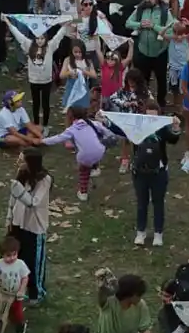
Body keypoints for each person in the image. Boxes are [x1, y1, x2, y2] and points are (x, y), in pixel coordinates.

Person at [129, 101, 180, 247]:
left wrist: (175, 127)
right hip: (140, 172)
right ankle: (141, 232)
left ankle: (158, 234)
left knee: (158, 203)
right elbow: (120, 129)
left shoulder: (162, 128)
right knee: (141, 203)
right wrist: (105, 120)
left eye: (154, 117)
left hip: (159, 172)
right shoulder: (136, 128)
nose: (151, 119)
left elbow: (173, 139)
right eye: (148, 116)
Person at [42, 106, 117, 201]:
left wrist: (42, 141)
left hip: (85, 156)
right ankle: (95, 167)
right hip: (100, 151)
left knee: (83, 169)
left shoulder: (72, 129)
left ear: (71, 117)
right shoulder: (92, 123)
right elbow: (107, 132)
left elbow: (57, 138)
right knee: (92, 148)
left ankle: (83, 192)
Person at [7, 148, 52, 302]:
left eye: (22, 160)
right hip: (18, 223)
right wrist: (9, 218)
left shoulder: (44, 180)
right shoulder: (22, 174)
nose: (19, 162)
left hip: (35, 227)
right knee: (17, 258)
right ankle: (19, 288)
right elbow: (13, 199)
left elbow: (33, 203)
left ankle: (37, 293)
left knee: (34, 263)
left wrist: (18, 190)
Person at [0, 236, 30, 333]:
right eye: (8, 255)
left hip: (15, 294)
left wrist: (21, 290)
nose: (12, 258)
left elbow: (25, 278)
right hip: (2, 292)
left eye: (14, 254)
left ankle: (20, 324)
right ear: (2, 255)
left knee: (17, 312)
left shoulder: (20, 264)